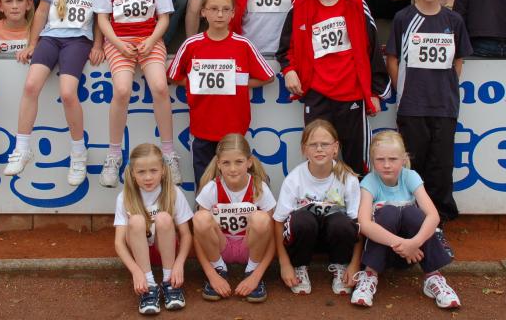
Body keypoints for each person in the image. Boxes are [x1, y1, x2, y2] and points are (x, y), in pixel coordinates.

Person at [276, 0, 390, 176]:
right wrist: (289, 70)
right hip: (316, 93)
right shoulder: (301, 5)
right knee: (318, 155)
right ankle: (321, 205)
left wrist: (375, 91)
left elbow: (373, 50)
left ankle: (357, 209)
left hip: (351, 92)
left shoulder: (356, 4)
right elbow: (285, 48)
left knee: (354, 159)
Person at [3, 0, 104, 186]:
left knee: (68, 92)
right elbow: (40, 11)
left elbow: (103, 16)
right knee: (31, 84)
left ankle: (78, 153)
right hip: (51, 37)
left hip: (78, 40)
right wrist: (32, 43)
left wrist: (98, 44)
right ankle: (22, 147)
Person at [386, 0, 472, 254]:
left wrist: (444, 90)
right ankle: (409, 223)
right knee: (413, 167)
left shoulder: (454, 21)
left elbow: (458, 61)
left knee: (440, 168)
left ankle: (435, 227)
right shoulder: (404, 19)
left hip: (445, 108)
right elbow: (393, 58)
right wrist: (404, 91)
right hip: (412, 107)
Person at [94, 0, 180, 188]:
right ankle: (113, 155)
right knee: (121, 90)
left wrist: (153, 40)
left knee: (159, 87)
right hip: (119, 40)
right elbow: (102, 18)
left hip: (150, 39)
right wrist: (118, 43)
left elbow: (164, 18)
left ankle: (168, 154)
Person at [168, 0, 274, 186]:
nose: (220, 14)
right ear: (203, 12)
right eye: (214, 9)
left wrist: (239, 83)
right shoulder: (192, 45)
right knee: (205, 185)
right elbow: (173, 75)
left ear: (233, 13)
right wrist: (194, 83)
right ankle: (203, 217)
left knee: (236, 183)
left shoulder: (243, 45)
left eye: (226, 9)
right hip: (202, 129)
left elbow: (268, 76)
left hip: (234, 130)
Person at [351, 131, 460, 309]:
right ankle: (369, 276)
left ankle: (433, 277)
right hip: (383, 254)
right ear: (372, 161)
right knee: (388, 213)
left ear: (403, 159)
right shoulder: (370, 181)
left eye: (393, 159)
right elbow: (363, 223)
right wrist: (403, 244)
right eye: (380, 160)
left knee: (413, 214)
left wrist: (414, 243)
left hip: (414, 253)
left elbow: (433, 216)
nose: (386, 165)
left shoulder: (410, 176)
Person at [273, 119, 362, 296]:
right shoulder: (294, 179)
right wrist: (284, 264)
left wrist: (355, 264)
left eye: (325, 144)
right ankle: (300, 266)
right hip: (304, 239)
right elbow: (278, 222)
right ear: (304, 149)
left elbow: (358, 223)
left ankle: (340, 265)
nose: (319, 149)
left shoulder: (348, 179)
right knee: (302, 219)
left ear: (335, 147)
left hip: (335, 239)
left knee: (342, 222)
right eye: (313, 145)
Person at [193, 134, 276, 303]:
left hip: (251, 249)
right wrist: (211, 274)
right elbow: (198, 237)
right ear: (218, 164)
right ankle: (219, 270)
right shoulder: (211, 189)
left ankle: (251, 271)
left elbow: (272, 236)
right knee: (200, 218)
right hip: (220, 249)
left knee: (261, 219)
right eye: (226, 163)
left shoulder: (259, 188)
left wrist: (257, 274)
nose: (232, 168)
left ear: (249, 162)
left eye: (239, 162)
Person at [113, 143, 193, 315]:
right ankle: (148, 285)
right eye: (141, 172)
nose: (148, 177)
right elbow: (119, 243)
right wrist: (136, 271)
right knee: (136, 221)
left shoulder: (173, 192)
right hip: (139, 253)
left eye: (153, 171)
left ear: (163, 170)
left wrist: (179, 264)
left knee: (164, 218)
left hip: (166, 250)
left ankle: (169, 281)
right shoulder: (125, 197)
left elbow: (186, 235)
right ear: (133, 173)